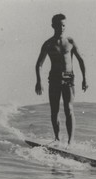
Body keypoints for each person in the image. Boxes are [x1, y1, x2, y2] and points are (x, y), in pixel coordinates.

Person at [35, 13, 88, 145]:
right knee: (54, 110)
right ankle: (57, 139)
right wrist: (39, 81)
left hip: (68, 78)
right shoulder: (48, 44)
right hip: (54, 79)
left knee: (69, 109)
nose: (61, 28)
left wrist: (85, 78)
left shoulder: (70, 42)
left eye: (63, 25)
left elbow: (81, 60)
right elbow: (39, 64)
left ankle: (70, 141)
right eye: (59, 25)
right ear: (53, 26)